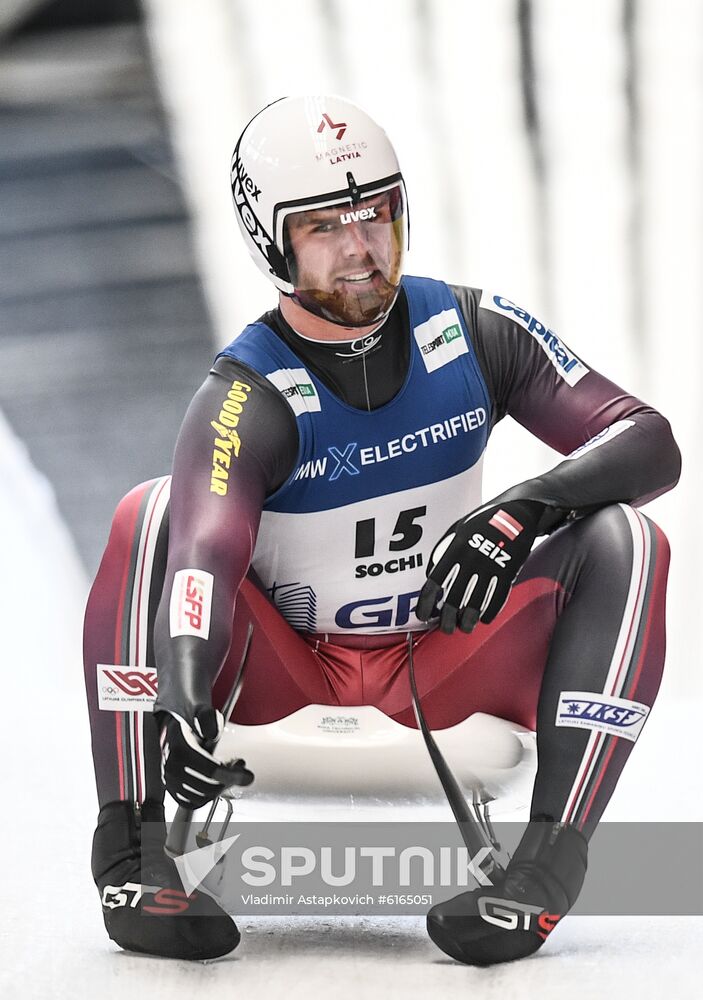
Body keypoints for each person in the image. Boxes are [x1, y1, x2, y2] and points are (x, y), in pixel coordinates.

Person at [83, 95, 680, 965]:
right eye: (325, 227)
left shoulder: (471, 328)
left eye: (377, 216)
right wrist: (180, 678)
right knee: (151, 512)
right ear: (270, 240)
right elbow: (202, 553)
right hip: (284, 669)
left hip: (438, 657)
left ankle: (547, 868)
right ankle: (133, 851)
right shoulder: (244, 394)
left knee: (623, 535)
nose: (361, 252)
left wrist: (521, 510)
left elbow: (646, 439)